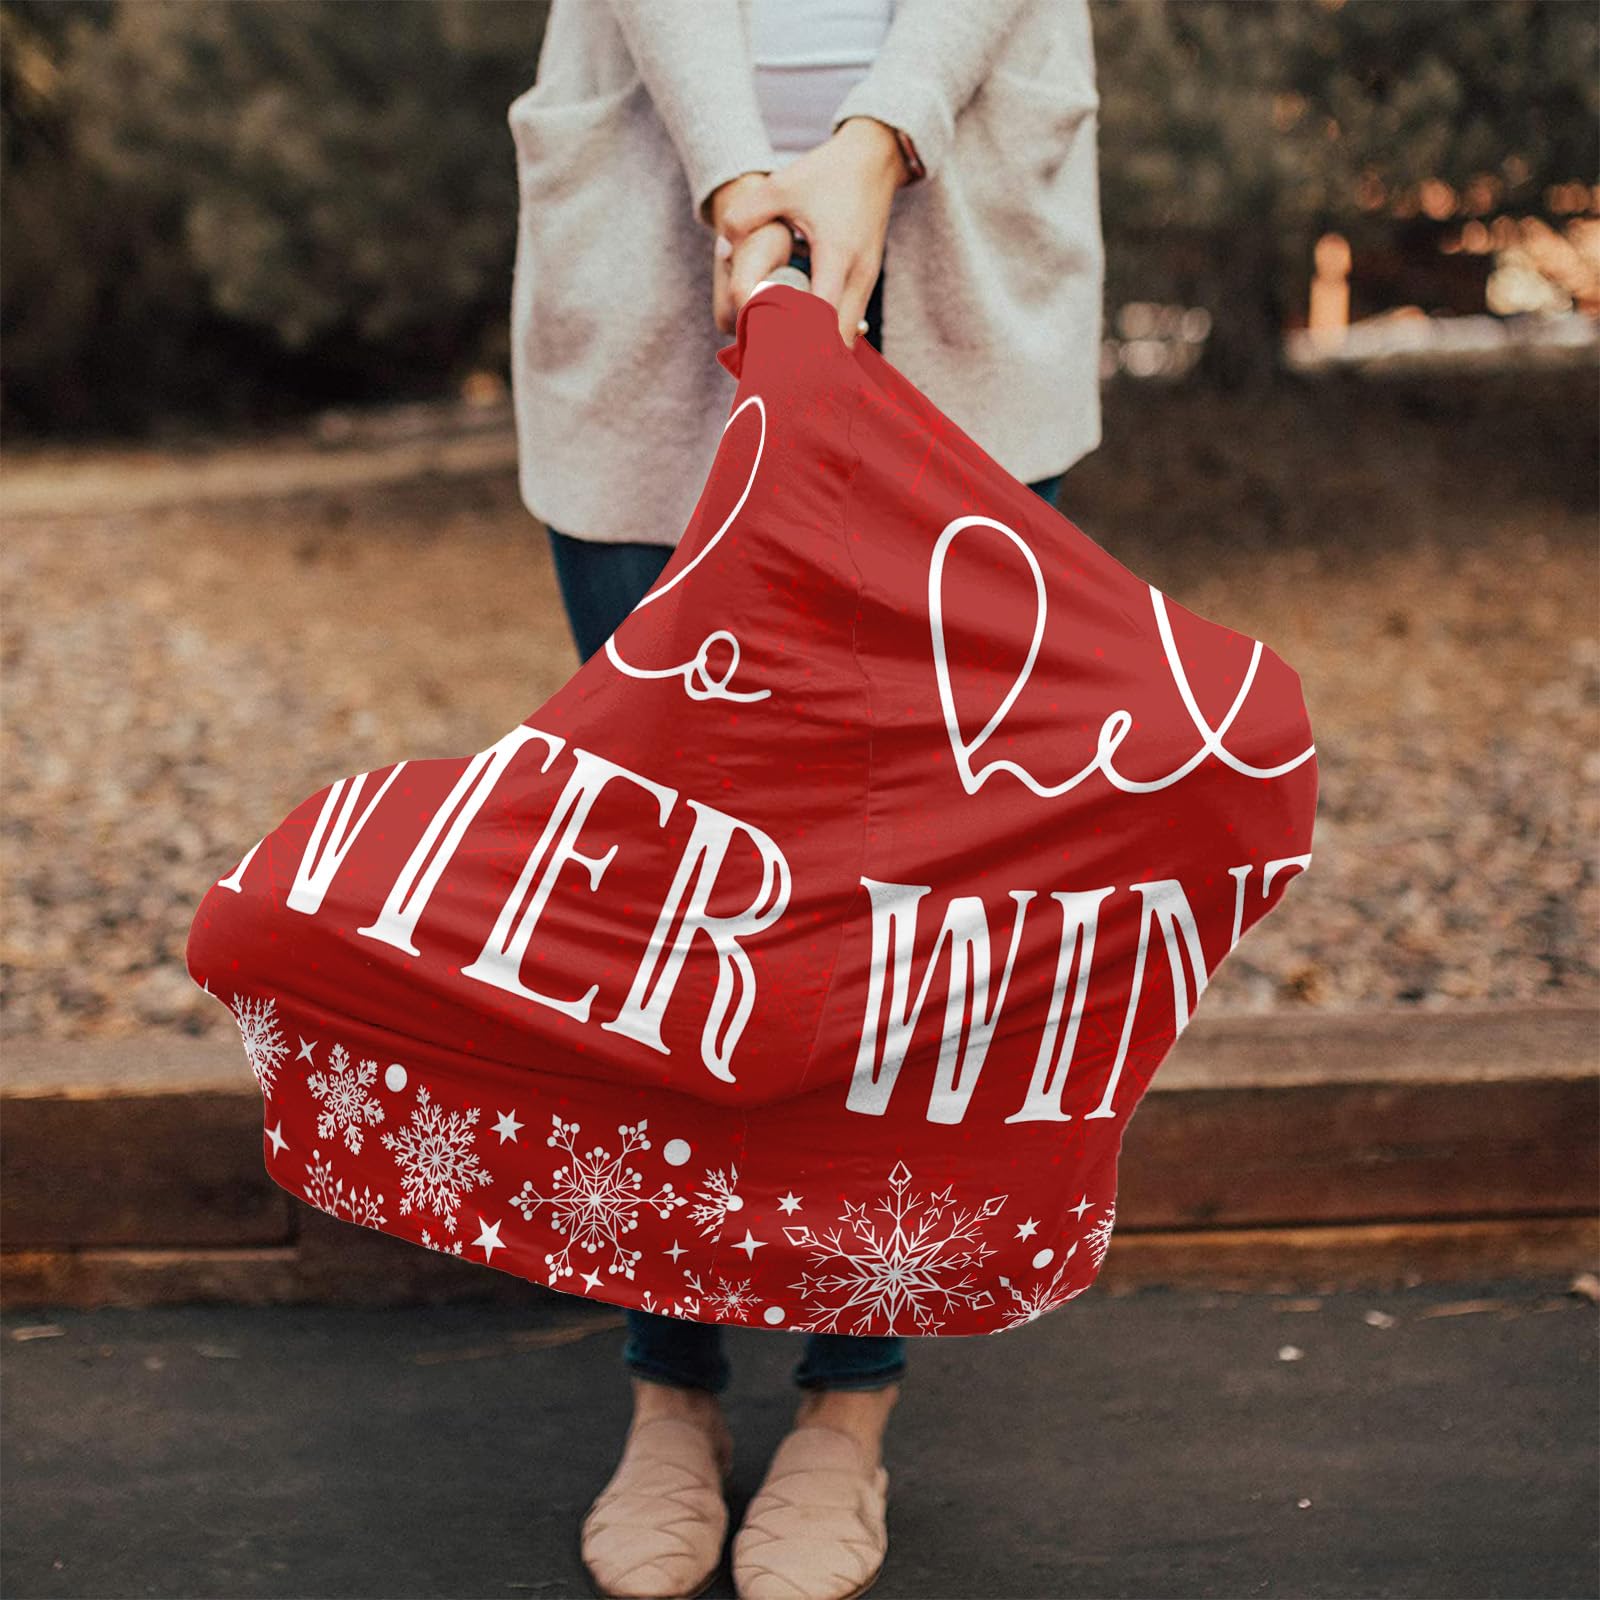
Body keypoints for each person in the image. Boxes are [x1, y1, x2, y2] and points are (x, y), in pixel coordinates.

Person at [506, 3, 1103, 1596]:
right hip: (656, 225)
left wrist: (877, 136)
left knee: (914, 884)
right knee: (660, 875)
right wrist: (734, 178)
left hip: (958, 226)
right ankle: (670, 1385)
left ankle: (850, 1400)